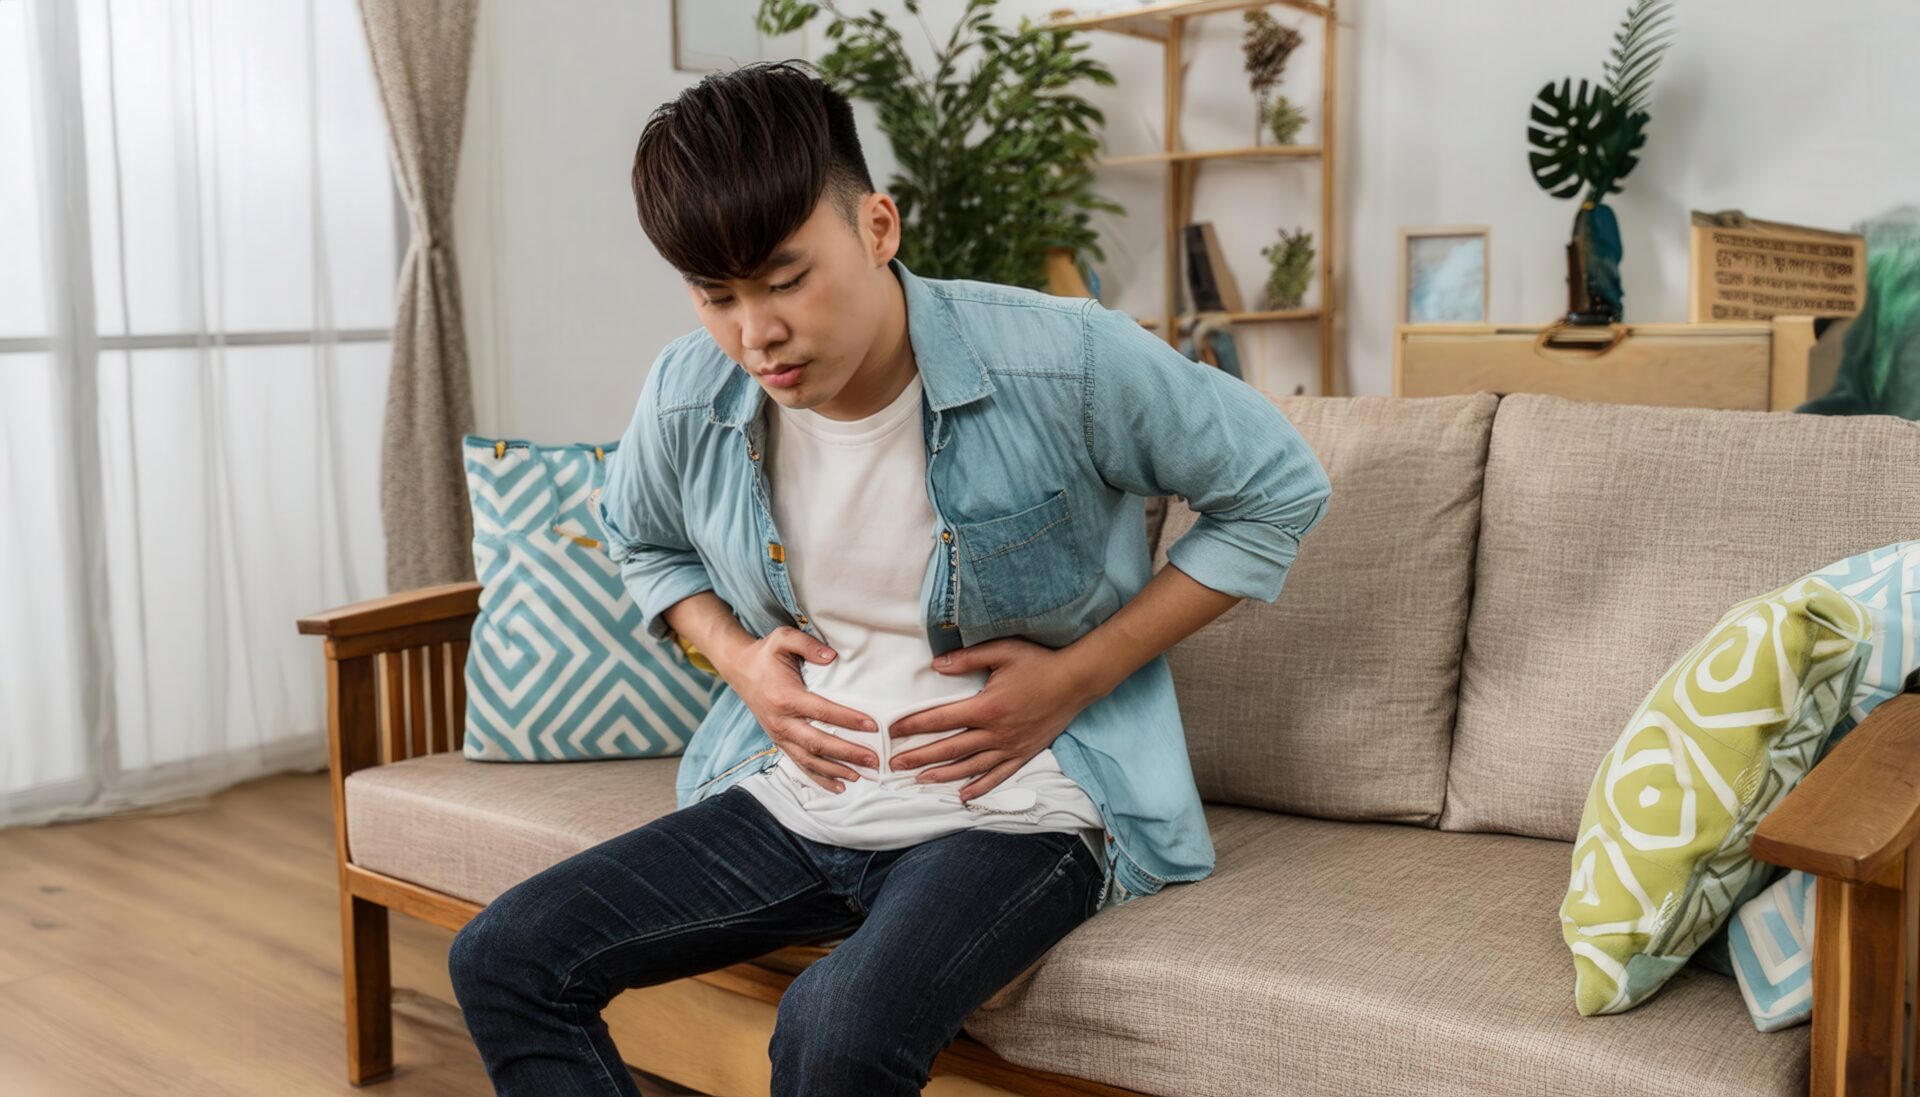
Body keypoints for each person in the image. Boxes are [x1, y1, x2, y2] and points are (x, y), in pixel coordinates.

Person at [447, 59, 1331, 1097]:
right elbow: (641, 541)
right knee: (505, 955)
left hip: (1016, 810)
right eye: (716, 295)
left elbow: (1277, 487)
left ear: (877, 227)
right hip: (797, 796)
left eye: (785, 280)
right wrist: (739, 660)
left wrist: (1077, 677)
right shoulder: (690, 388)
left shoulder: (1063, 357)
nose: (755, 334)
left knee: (835, 1026)